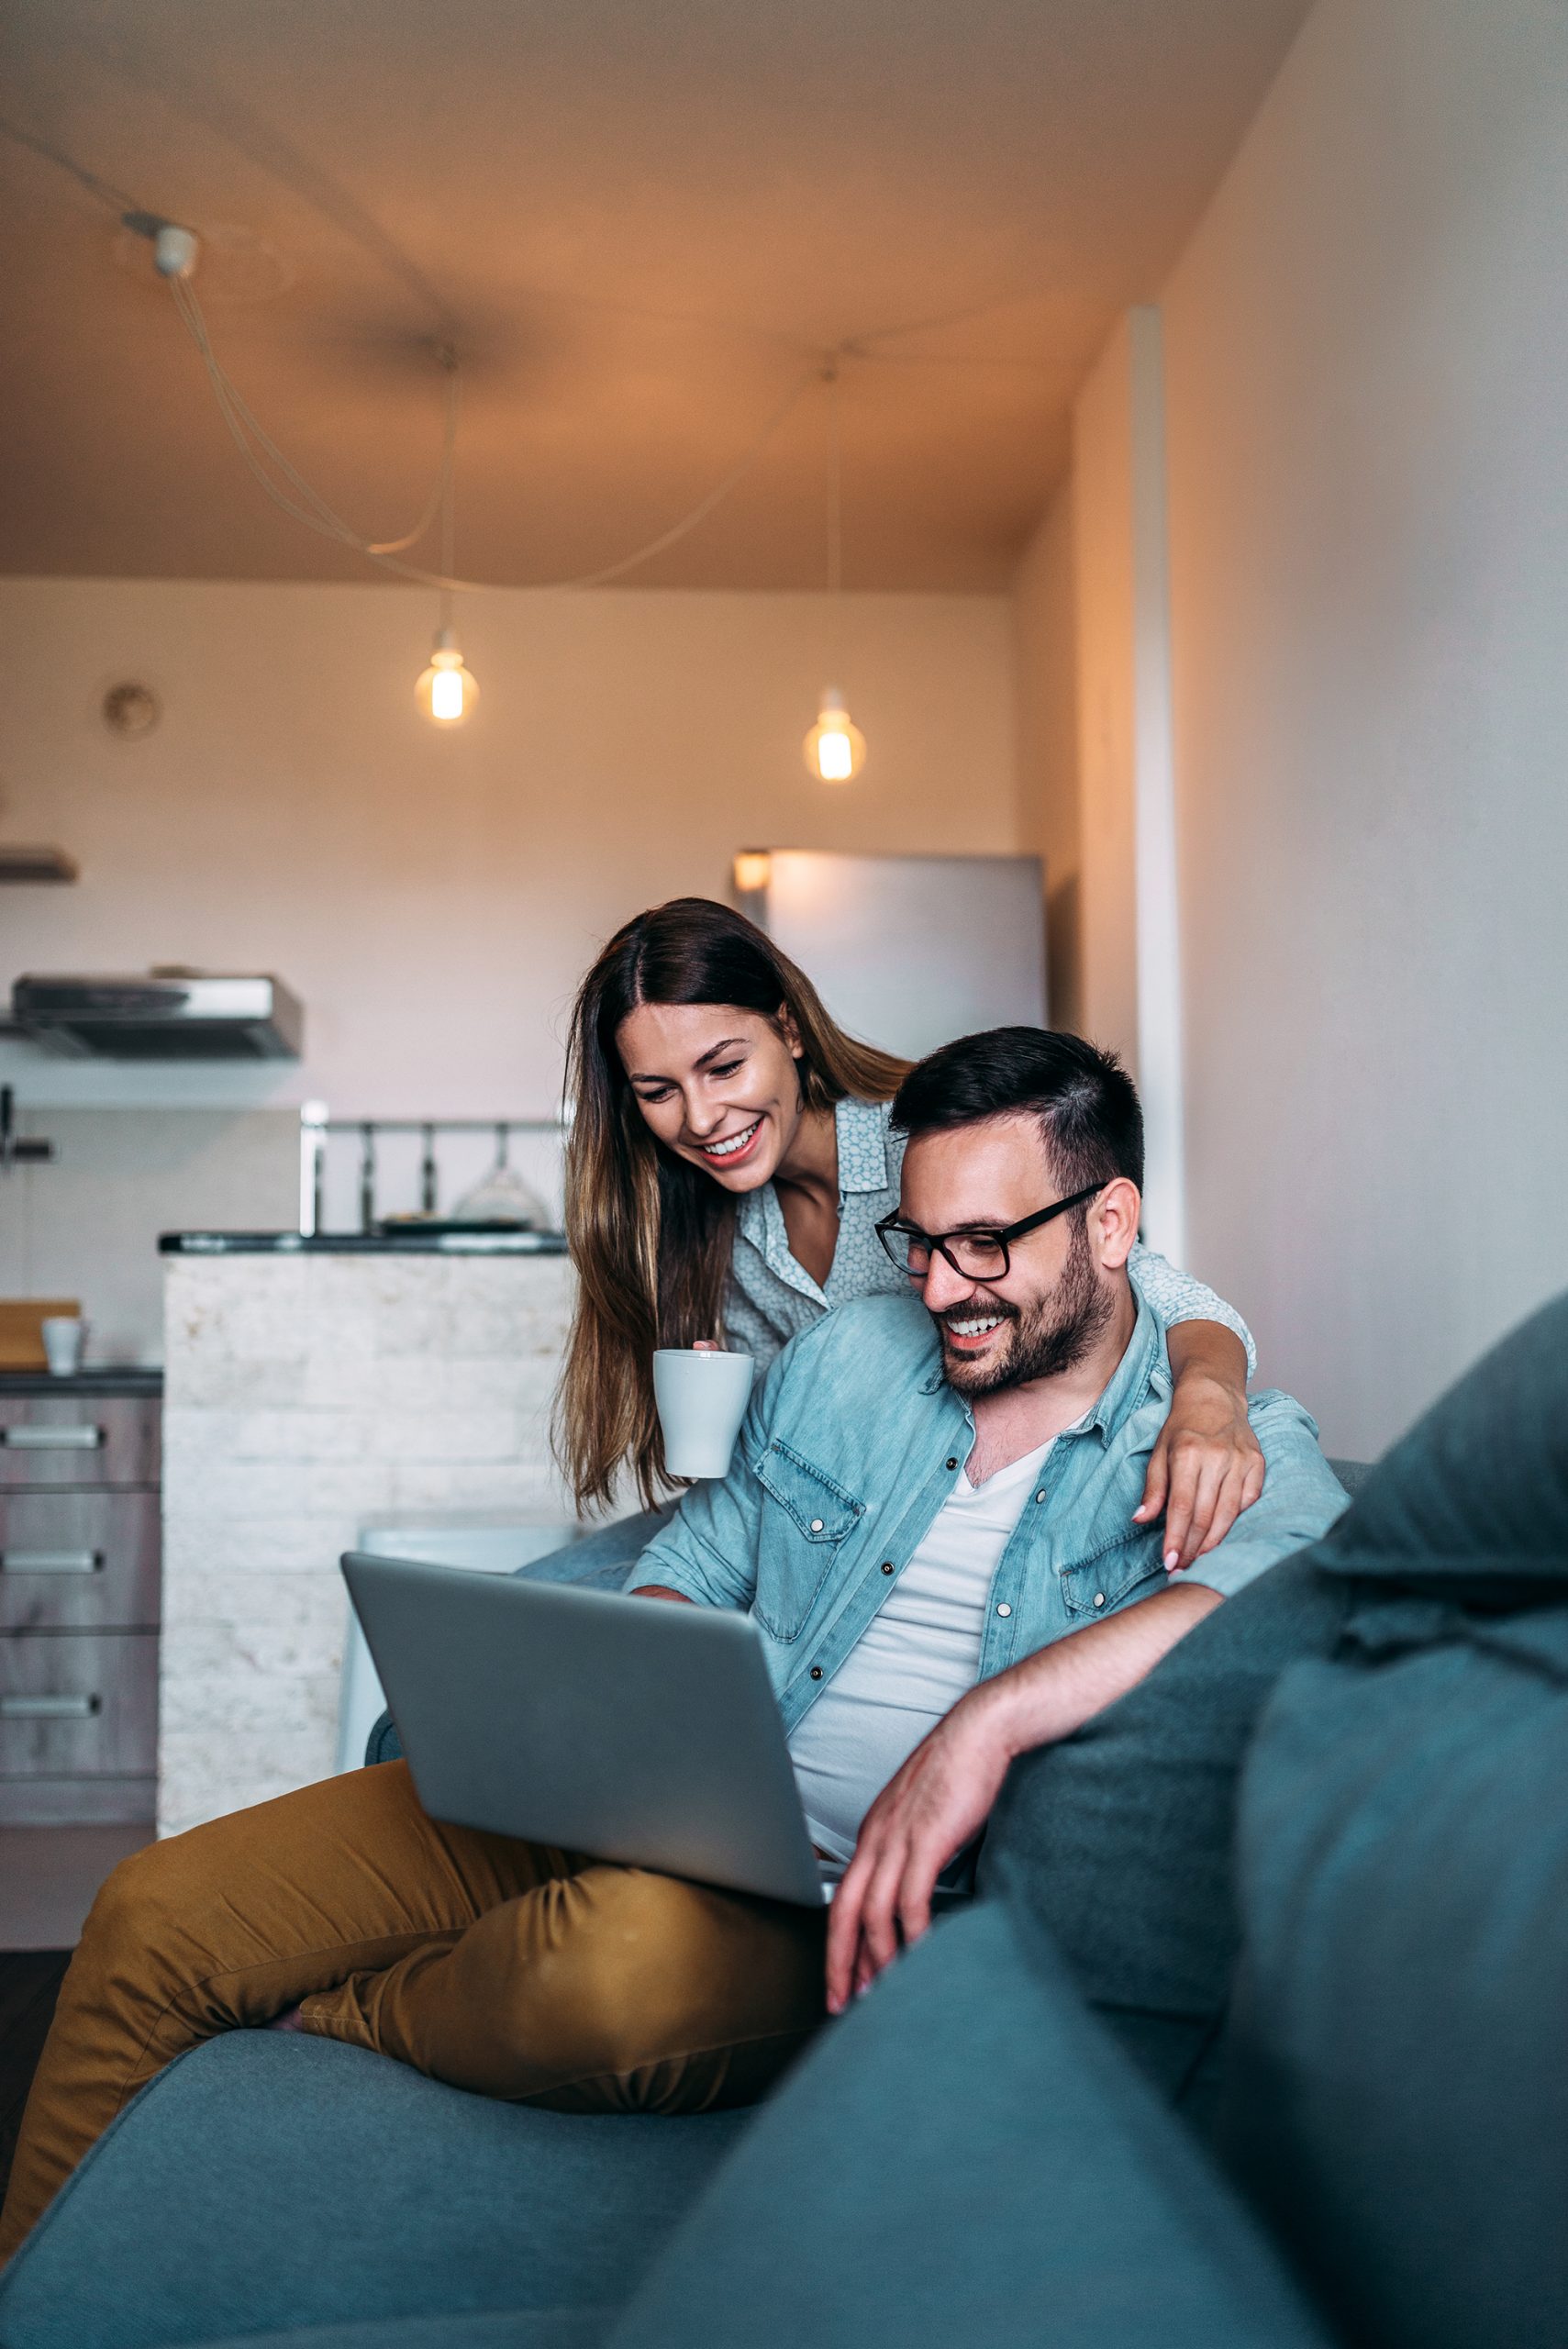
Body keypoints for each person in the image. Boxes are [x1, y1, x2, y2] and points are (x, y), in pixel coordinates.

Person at [0, 1027, 1341, 2265]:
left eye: (985, 1245)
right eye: (919, 1241)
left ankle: (351, 2012)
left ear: (1112, 1225)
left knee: (611, 1974)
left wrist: (982, 1725)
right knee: (152, 1913)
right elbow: (706, 1552)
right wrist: (639, 1676)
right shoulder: (856, 1358)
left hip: (819, 1908)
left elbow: (1299, 1579)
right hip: (657, 1796)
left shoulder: (1222, 1438)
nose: (942, 1287)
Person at [556, 896, 1263, 1575]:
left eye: (724, 1067)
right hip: (823, 1521)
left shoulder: (922, 1150)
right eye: (658, 1091)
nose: (702, 1117)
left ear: (790, 1031)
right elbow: (791, 1435)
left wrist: (1209, 1400)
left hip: (964, 1512)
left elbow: (1156, 1291)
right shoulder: (715, 1223)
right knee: (550, 1597)